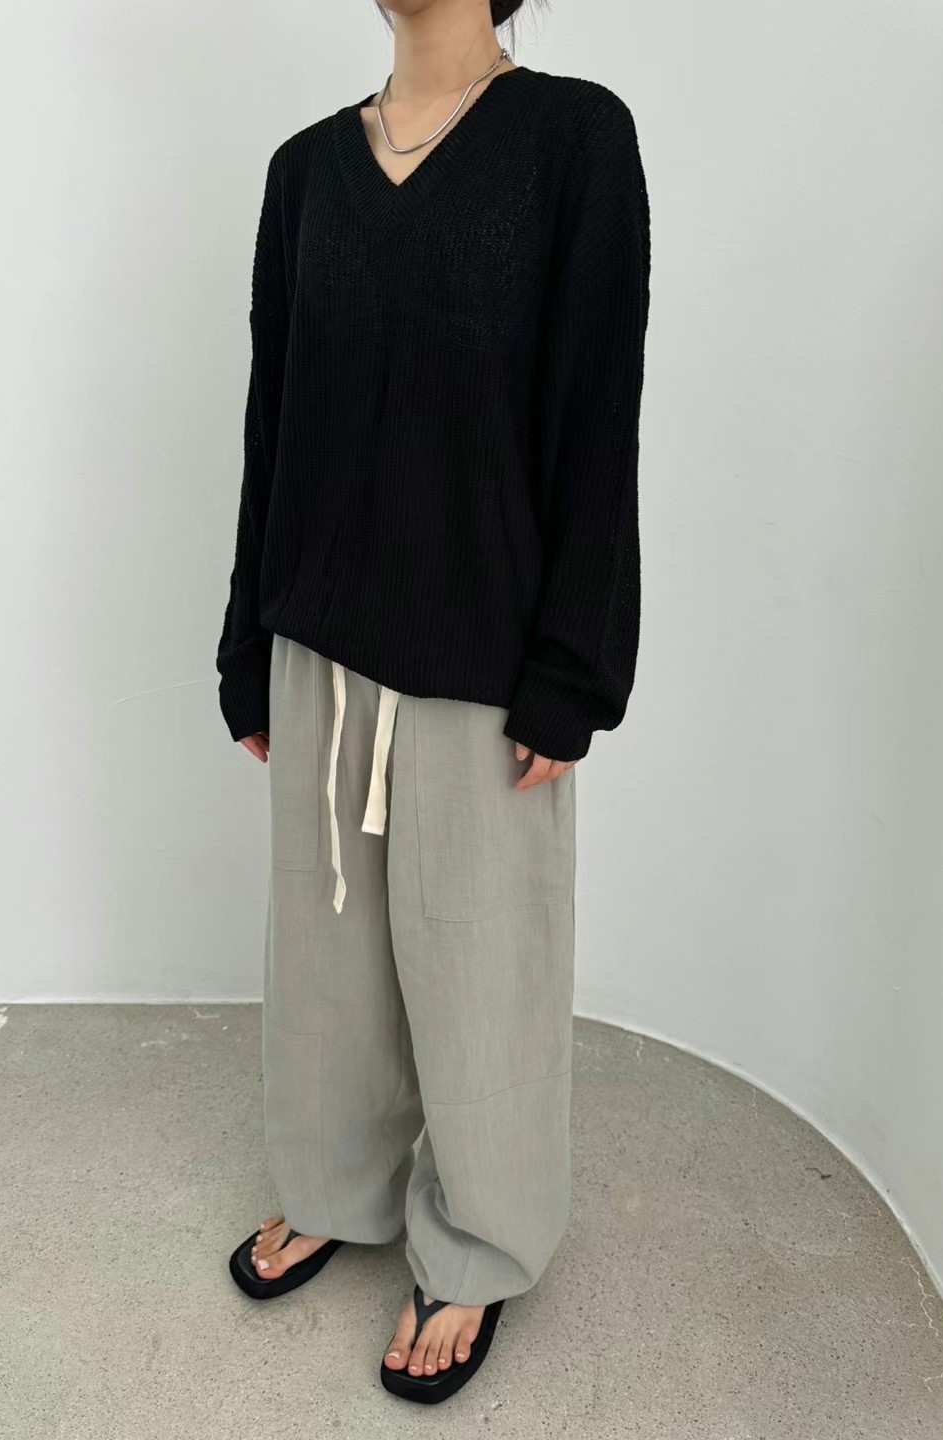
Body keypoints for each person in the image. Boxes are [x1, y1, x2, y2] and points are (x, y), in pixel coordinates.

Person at [215, 0, 650, 1406]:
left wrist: (575, 667)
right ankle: (336, 1186)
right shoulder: (305, 171)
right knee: (326, 960)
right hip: (319, 637)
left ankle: (477, 1243)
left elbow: (596, 412)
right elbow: (275, 420)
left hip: (484, 649)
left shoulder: (574, 140)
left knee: (480, 972)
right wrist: (245, 639)